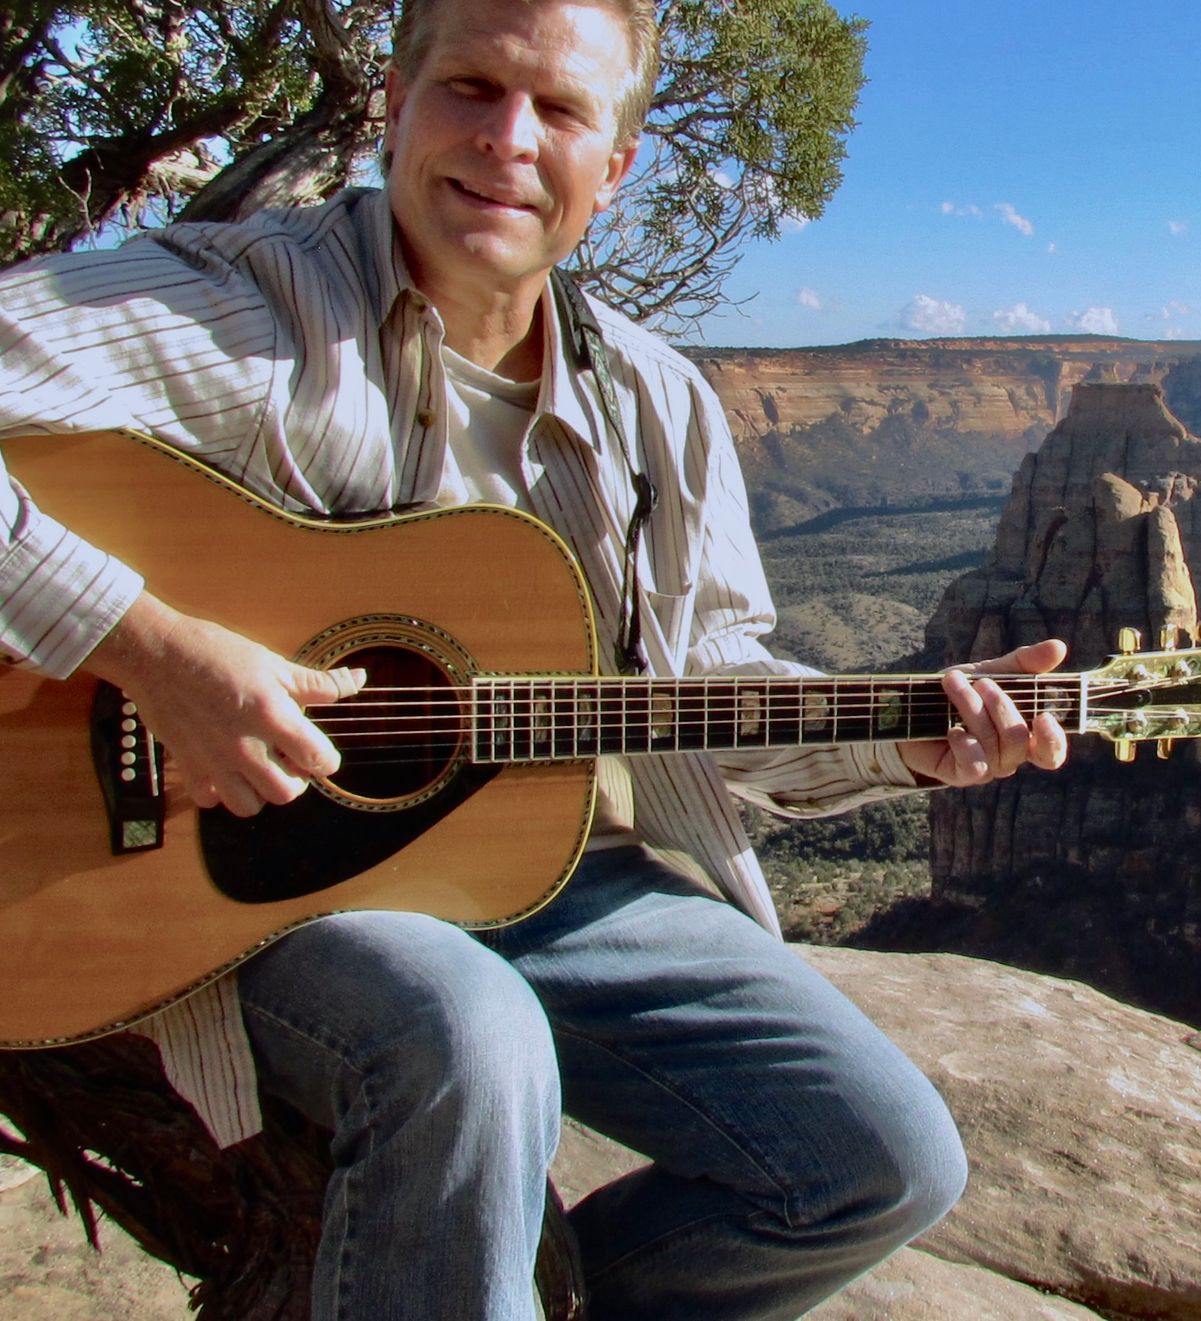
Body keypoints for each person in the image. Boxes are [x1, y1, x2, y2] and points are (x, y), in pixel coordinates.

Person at [0, 1, 1069, 1316]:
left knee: (878, 1161)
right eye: (471, 87)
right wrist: (149, 647)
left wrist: (903, 741)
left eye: (560, 109)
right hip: (250, 883)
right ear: (394, 103)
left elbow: (704, 679)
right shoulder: (244, 311)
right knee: (468, 1032)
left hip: (552, 874)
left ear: (612, 167)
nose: (509, 139)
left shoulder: (655, 400)